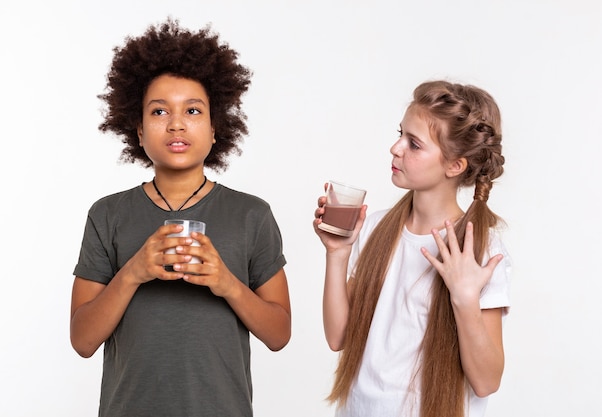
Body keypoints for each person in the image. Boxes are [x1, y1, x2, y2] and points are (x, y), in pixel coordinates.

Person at [70, 18, 291, 417]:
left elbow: (279, 335)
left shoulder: (251, 215)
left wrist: (227, 283)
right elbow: (83, 341)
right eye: (158, 111)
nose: (176, 123)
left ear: (214, 129)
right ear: (138, 130)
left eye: (192, 110)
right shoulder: (108, 215)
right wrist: (135, 270)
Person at [313, 80, 511, 417]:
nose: (396, 147)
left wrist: (464, 299)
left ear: (454, 166)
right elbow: (339, 337)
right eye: (400, 134)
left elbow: (486, 382)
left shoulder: (477, 249)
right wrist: (337, 254)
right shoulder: (376, 228)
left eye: (414, 144)